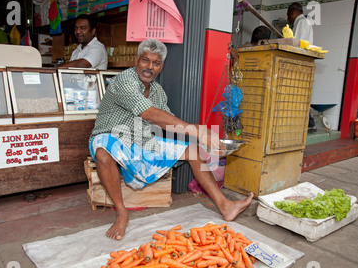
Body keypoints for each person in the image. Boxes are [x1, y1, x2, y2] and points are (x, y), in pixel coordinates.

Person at [89, 39, 254, 240]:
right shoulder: (124, 81)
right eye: (145, 60)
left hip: (141, 140)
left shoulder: (158, 91)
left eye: (155, 63)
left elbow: (167, 122)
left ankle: (225, 204)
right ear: (136, 60)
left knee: (192, 150)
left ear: (161, 67)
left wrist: (203, 139)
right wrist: (197, 130)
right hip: (111, 135)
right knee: (102, 152)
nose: (149, 67)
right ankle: (122, 212)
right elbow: (150, 114)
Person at [287, 2, 316, 132]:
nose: (289, 19)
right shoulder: (305, 22)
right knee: (299, 94)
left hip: (297, 63)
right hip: (303, 63)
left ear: (293, 12)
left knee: (297, 94)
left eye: (288, 15)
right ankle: (308, 123)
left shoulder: (301, 22)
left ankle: (309, 123)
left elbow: (295, 43)